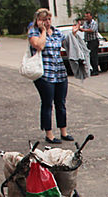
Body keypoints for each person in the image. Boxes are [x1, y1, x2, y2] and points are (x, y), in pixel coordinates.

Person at [28, 8, 79, 144]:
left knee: (61, 103)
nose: (47, 22)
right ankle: (49, 134)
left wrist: (72, 35)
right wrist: (43, 31)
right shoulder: (34, 32)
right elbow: (39, 45)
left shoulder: (56, 32)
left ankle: (64, 131)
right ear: (38, 21)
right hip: (44, 74)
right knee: (47, 103)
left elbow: (66, 44)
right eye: (44, 20)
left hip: (60, 72)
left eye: (49, 19)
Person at [81, 11, 100, 76]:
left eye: (88, 16)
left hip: (93, 41)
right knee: (89, 56)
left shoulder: (93, 23)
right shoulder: (85, 23)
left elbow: (92, 30)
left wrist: (84, 30)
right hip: (88, 41)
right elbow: (83, 28)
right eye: (86, 16)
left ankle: (95, 70)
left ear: (91, 16)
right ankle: (91, 69)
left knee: (93, 56)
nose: (86, 18)